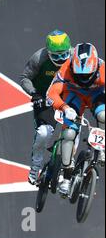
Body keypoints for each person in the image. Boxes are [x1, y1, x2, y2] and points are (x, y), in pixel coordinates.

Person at [47, 42, 105, 196]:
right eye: (79, 75)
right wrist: (65, 108)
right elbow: (51, 94)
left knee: (103, 116)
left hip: (96, 96)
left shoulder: (103, 69)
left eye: (87, 75)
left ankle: (103, 147)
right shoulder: (65, 68)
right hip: (74, 96)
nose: (84, 79)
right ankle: (66, 177)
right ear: (72, 66)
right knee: (69, 134)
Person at [19, 30, 72, 185]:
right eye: (56, 56)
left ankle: (67, 170)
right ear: (48, 53)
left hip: (69, 100)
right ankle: (36, 165)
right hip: (45, 99)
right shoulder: (38, 58)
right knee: (43, 133)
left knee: (71, 134)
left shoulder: (75, 56)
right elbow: (25, 78)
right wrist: (34, 93)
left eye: (64, 55)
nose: (61, 59)